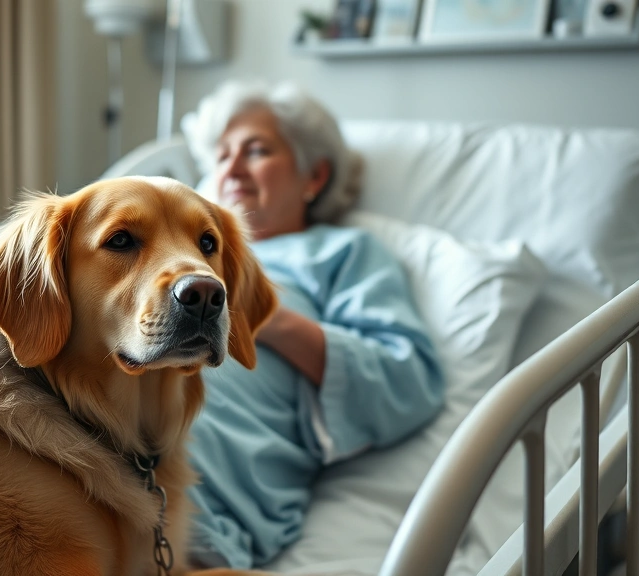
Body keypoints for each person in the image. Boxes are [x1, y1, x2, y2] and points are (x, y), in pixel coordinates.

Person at [179, 80, 446, 569]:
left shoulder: (341, 253)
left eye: (255, 151)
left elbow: (409, 378)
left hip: (212, 459)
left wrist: (267, 316)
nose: (231, 169)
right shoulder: (179, 257)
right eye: (220, 157)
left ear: (314, 176)